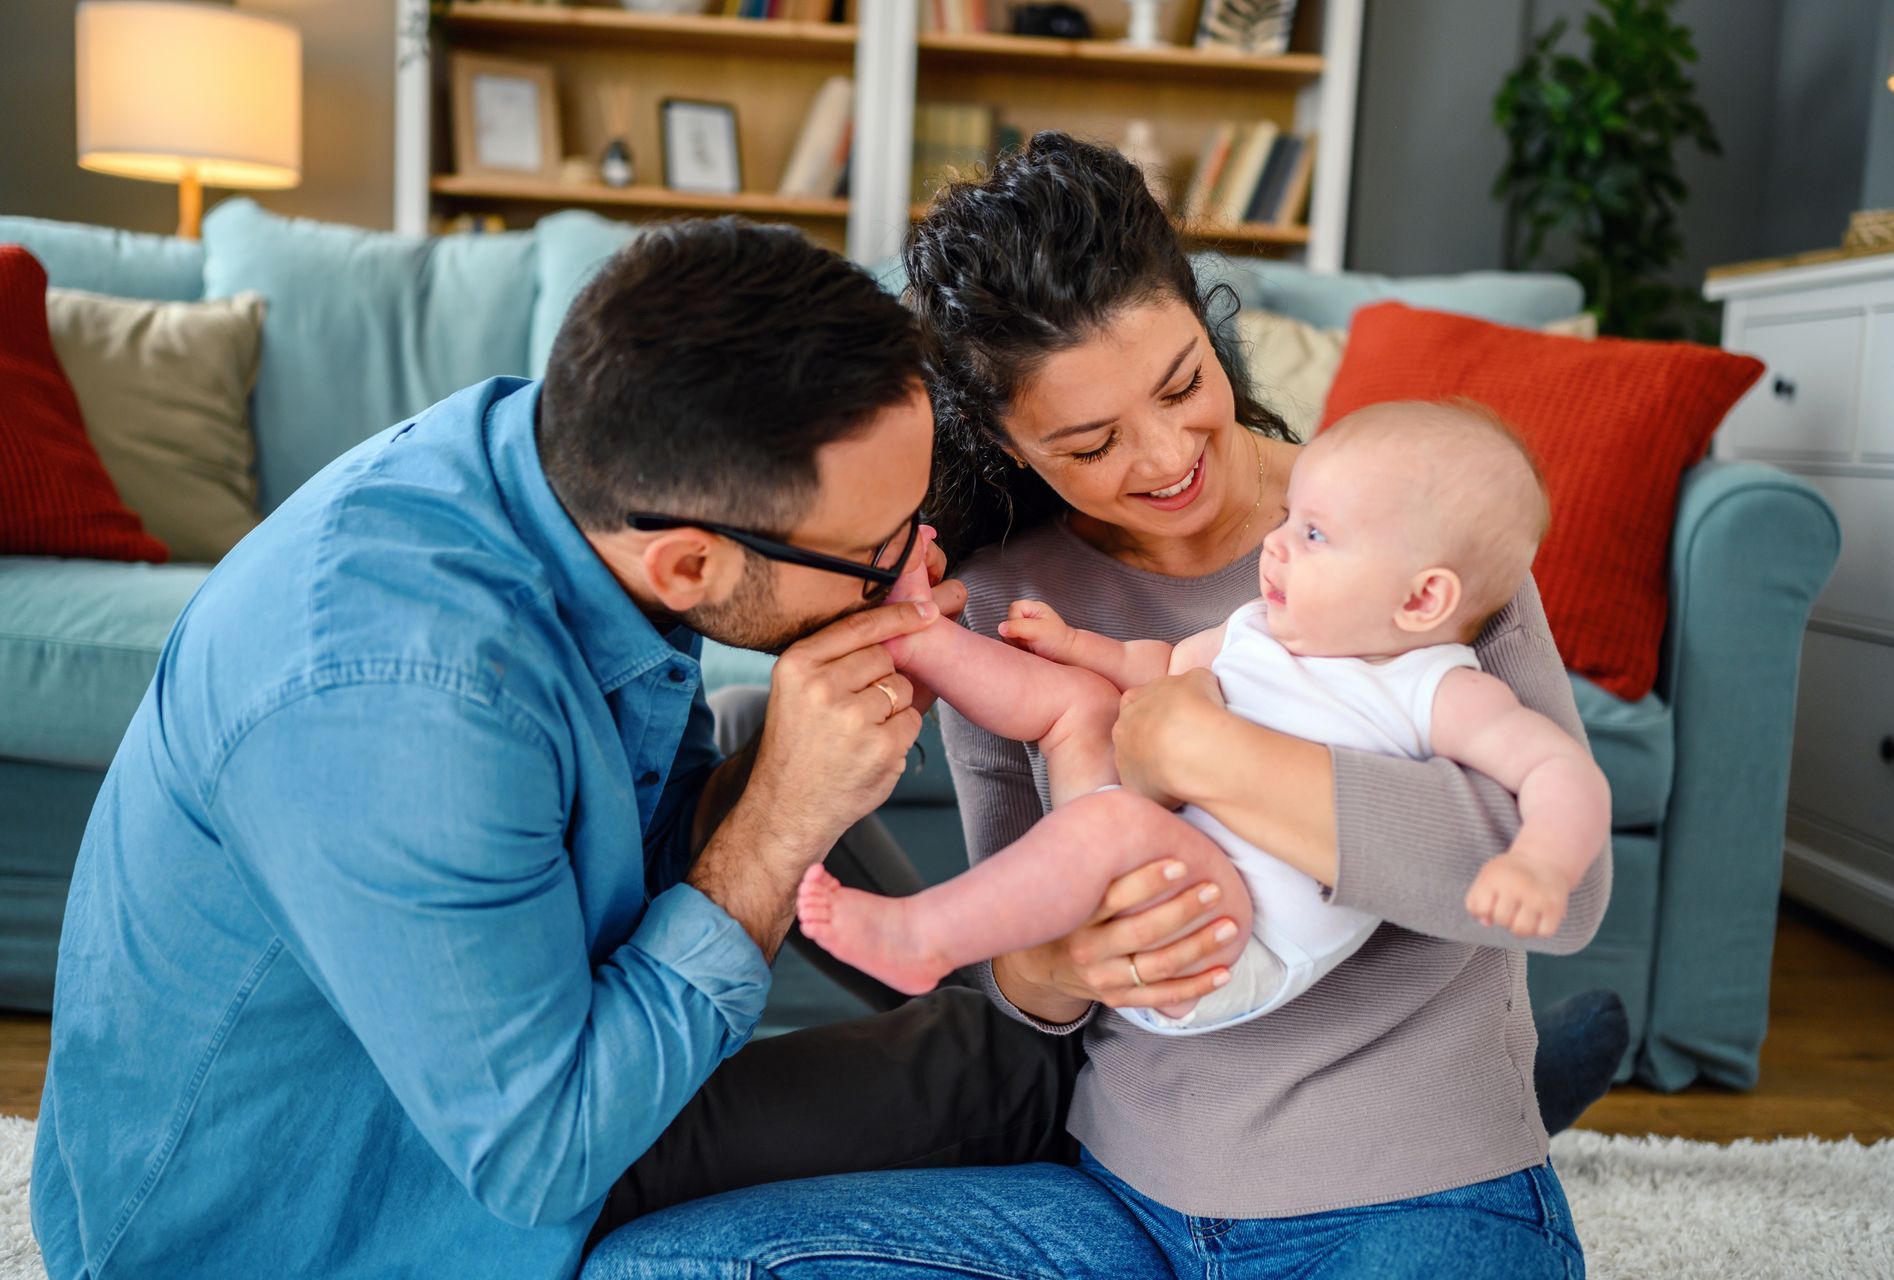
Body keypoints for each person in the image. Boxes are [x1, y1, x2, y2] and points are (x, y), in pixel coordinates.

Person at [586, 134, 1616, 1278]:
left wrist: (1203, 748)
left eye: (1183, 382)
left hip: (1405, 1191)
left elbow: (1564, 888)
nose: (1171, 453)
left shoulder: (1408, 536)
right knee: (661, 1265)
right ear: (1006, 444)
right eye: (1091, 442)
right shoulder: (1011, 595)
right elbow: (1024, 995)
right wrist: (1068, 959)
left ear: (1203, 316)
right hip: (1120, 1200)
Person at [28, 219, 1003, 1279]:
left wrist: (786, 779)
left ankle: (986, 986)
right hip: (318, 1217)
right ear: (687, 563)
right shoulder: (403, 698)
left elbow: (653, 838)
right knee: (995, 1071)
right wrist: (776, 823)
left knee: (760, 737)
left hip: (480, 1082)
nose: (919, 568)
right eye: (876, 551)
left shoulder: (565, 465)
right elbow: (545, 1153)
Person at [795, 399, 1612, 1036]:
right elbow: (1159, 667)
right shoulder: (1262, 625)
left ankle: (928, 938)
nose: (1279, 544)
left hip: (1224, 943)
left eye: (1317, 534)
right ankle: (920, 636)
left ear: (1423, 597)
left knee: (1115, 825)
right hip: (1153, 889)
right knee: (1077, 703)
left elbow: (1556, 770)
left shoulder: (1431, 686)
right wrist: (1076, 644)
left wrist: (1540, 862)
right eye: (1290, 518)